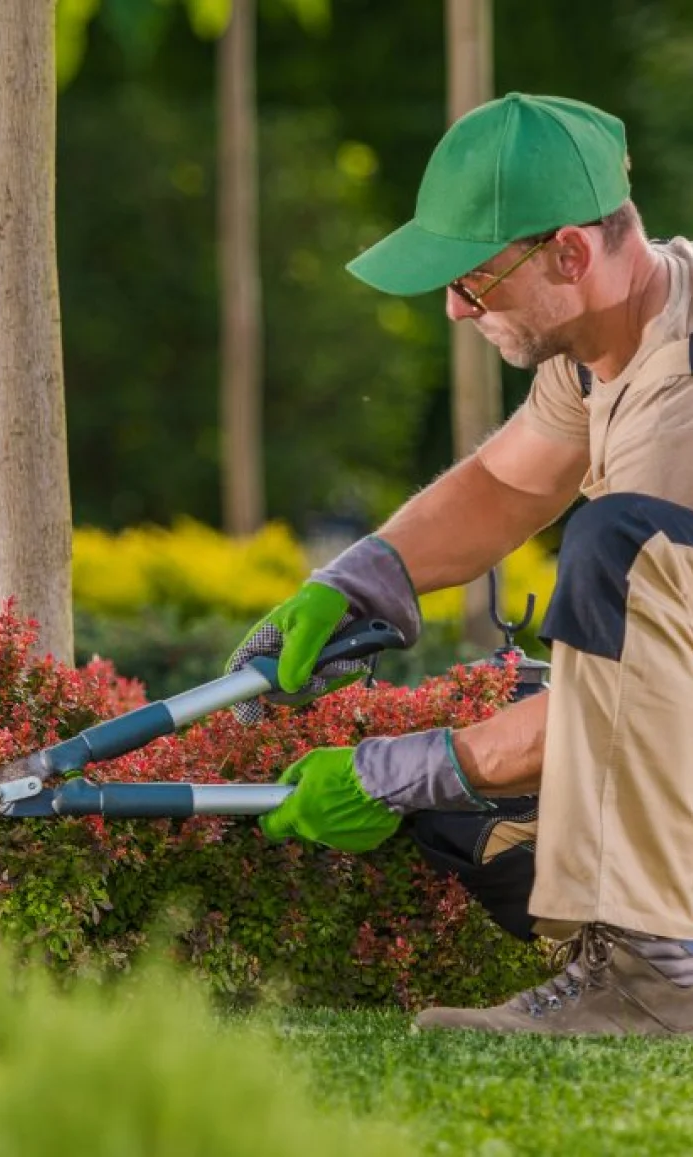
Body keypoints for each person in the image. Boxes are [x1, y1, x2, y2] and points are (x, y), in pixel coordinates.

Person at [226, 92, 693, 1036]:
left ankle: (654, 981)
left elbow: (652, 704)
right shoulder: (610, 333)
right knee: (473, 822)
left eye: (474, 280)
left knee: (611, 550)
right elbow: (507, 483)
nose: (451, 306)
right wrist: (362, 575)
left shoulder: (680, 407)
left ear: (568, 251)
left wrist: (407, 766)